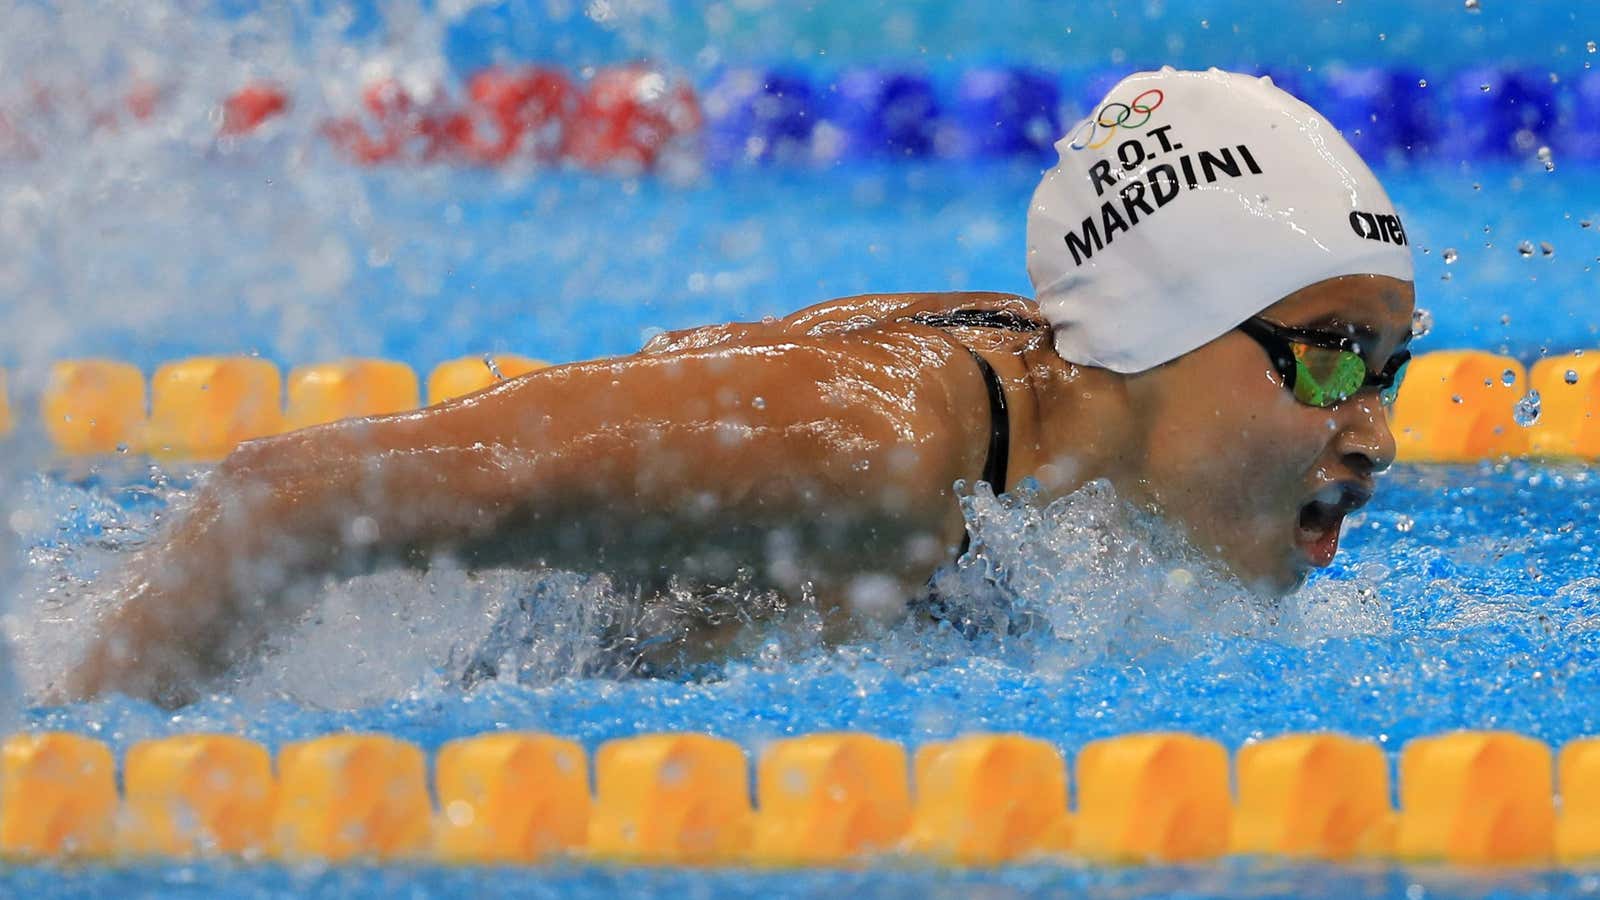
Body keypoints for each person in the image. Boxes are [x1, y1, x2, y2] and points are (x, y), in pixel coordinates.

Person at [60, 67, 1415, 706]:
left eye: (1390, 365)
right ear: (1158, 333)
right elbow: (277, 501)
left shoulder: (1058, 405)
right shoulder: (861, 452)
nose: (1380, 432)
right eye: (1335, 354)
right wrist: (84, 769)